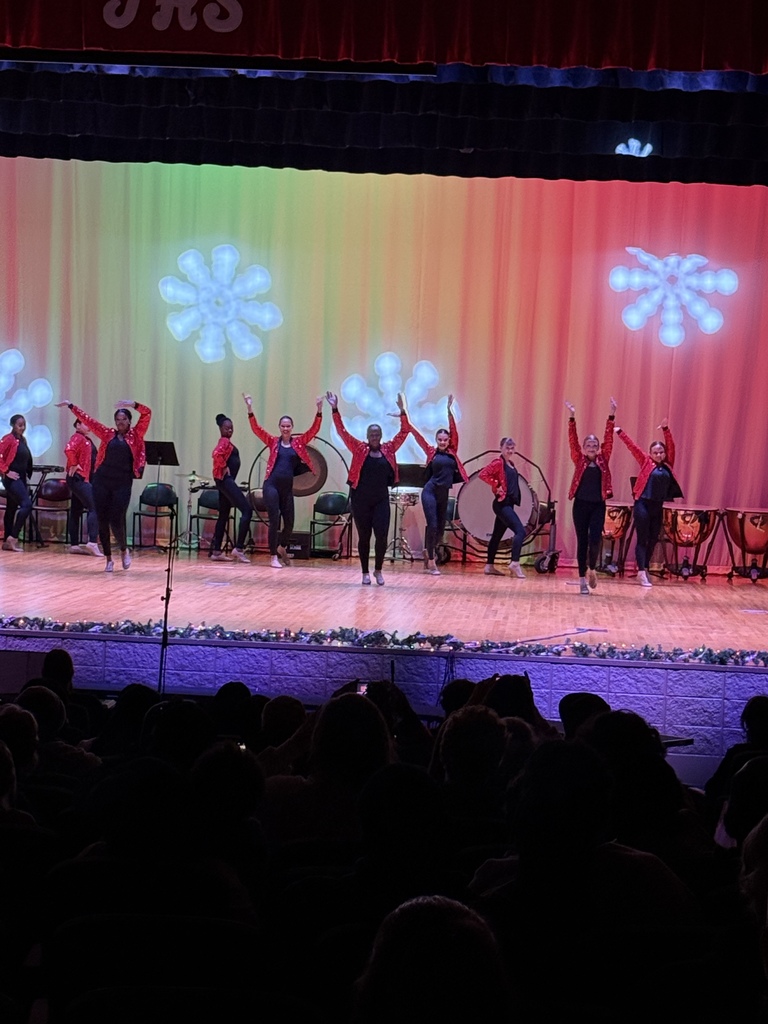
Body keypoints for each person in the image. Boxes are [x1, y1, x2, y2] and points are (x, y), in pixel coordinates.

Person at [56, 399, 151, 572]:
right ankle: (108, 559)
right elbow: (88, 419)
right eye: (117, 420)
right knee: (102, 519)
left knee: (116, 520)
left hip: (122, 482)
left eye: (123, 419)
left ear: (129, 421)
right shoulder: (107, 434)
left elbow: (147, 413)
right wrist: (71, 406)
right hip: (102, 481)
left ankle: (123, 549)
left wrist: (133, 404)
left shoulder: (136, 435)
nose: (120, 422)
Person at [326, 390, 410, 585]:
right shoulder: (358, 448)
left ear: (381, 436)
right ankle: (365, 572)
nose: (374, 437)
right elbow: (342, 431)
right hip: (360, 500)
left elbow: (404, 432)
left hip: (381, 499)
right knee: (364, 537)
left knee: (381, 537)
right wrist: (335, 408)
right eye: (371, 434)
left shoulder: (388, 449)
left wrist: (403, 412)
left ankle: (378, 570)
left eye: (377, 434)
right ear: (367, 435)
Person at [242, 393, 323, 569]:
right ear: (279, 427)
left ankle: (281, 547)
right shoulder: (272, 442)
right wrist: (250, 409)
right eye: (283, 426)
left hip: (287, 488)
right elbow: (257, 429)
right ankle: (273, 556)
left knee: (290, 523)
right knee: (274, 520)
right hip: (271, 485)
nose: (285, 428)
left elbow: (313, 431)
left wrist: (319, 410)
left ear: (292, 427)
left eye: (288, 426)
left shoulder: (299, 443)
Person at [615, 417, 683, 587]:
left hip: (657, 507)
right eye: (655, 452)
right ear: (651, 454)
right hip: (642, 504)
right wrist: (620, 433)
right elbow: (633, 447)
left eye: (661, 452)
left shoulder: (668, 464)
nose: (659, 454)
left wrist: (666, 429)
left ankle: (645, 568)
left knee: (653, 539)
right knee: (642, 539)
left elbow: (672, 445)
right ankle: (641, 572)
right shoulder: (646, 461)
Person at [407, 395, 468, 576]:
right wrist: (404, 417)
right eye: (440, 439)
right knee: (432, 524)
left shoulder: (452, 452)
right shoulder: (431, 452)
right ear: (436, 440)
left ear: (448, 441)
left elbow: (454, 431)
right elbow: (416, 435)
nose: (442, 442)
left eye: (445, 439)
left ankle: (429, 552)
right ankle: (432, 561)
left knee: (440, 528)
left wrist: (449, 411)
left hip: (443, 493)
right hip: (430, 491)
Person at [565, 397, 616, 595]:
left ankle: (592, 569)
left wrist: (611, 414)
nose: (592, 448)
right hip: (580, 505)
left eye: (595, 445)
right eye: (589, 445)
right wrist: (572, 417)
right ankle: (581, 581)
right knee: (582, 541)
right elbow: (572, 440)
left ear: (599, 448)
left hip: (598, 505)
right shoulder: (579, 459)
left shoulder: (604, 458)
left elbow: (609, 438)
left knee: (595, 539)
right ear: (584, 448)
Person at [478, 437, 527, 579]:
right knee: (520, 531)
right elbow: (483, 474)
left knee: (497, 536)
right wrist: (496, 485)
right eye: (507, 448)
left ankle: (489, 565)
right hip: (502, 504)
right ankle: (515, 563)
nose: (510, 450)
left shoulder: (510, 463)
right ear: (501, 448)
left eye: (512, 448)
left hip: (508, 503)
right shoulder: (498, 463)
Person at [209, 413, 253, 564]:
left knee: (223, 515)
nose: (229, 430)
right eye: (226, 428)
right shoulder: (224, 442)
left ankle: (216, 551)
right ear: (221, 428)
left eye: (231, 428)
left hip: (223, 481)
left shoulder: (226, 441)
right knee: (247, 510)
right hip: (225, 480)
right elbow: (216, 454)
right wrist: (224, 466)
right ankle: (238, 548)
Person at [63, 418, 101, 556]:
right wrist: (73, 463)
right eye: (85, 423)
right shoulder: (77, 437)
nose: (89, 426)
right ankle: (92, 542)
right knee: (94, 507)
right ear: (78, 425)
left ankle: (74, 544)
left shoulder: (86, 440)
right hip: (78, 478)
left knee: (76, 509)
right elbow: (68, 449)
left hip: (82, 479)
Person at [0, 414, 33, 552]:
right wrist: (6, 471)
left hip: (21, 478)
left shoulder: (22, 440)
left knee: (12, 508)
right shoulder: (8, 439)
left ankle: (8, 540)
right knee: (27, 505)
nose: (22, 427)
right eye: (19, 425)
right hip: (12, 478)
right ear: (13, 425)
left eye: (24, 425)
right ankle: (13, 537)